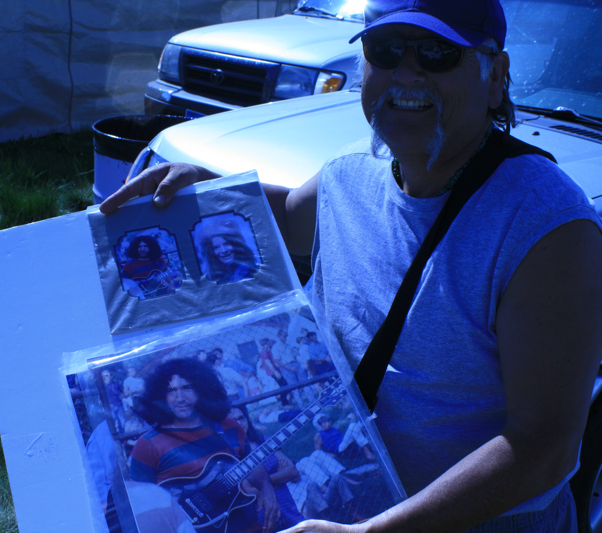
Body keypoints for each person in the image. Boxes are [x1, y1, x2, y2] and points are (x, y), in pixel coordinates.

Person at [100, 0, 602, 530]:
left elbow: (543, 447)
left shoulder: (547, 227)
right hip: (343, 502)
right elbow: (290, 216)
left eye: (436, 54)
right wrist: (200, 181)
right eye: (384, 51)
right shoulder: (349, 173)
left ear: (496, 77)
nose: (406, 73)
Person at [129, 357, 280, 532]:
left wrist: (266, 487)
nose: (180, 398)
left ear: (203, 389)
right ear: (161, 397)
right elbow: (141, 505)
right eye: (171, 391)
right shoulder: (148, 445)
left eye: (187, 388)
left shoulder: (229, 426)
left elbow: (248, 461)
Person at [230, 406, 306, 530]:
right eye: (233, 421)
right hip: (260, 514)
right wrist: (280, 477)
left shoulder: (263, 441)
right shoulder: (230, 455)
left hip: (286, 505)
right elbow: (247, 491)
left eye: (241, 418)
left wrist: (260, 484)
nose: (239, 423)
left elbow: (292, 471)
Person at [197, 217, 259, 284]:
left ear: (236, 245)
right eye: (216, 247)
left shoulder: (246, 271)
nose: (223, 251)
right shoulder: (220, 274)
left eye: (227, 244)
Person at [120, 234, 180, 299]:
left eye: (146, 246)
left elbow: (166, 274)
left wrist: (170, 282)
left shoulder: (160, 261)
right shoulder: (129, 265)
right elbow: (123, 284)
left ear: (152, 247)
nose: (142, 249)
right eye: (139, 247)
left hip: (163, 294)